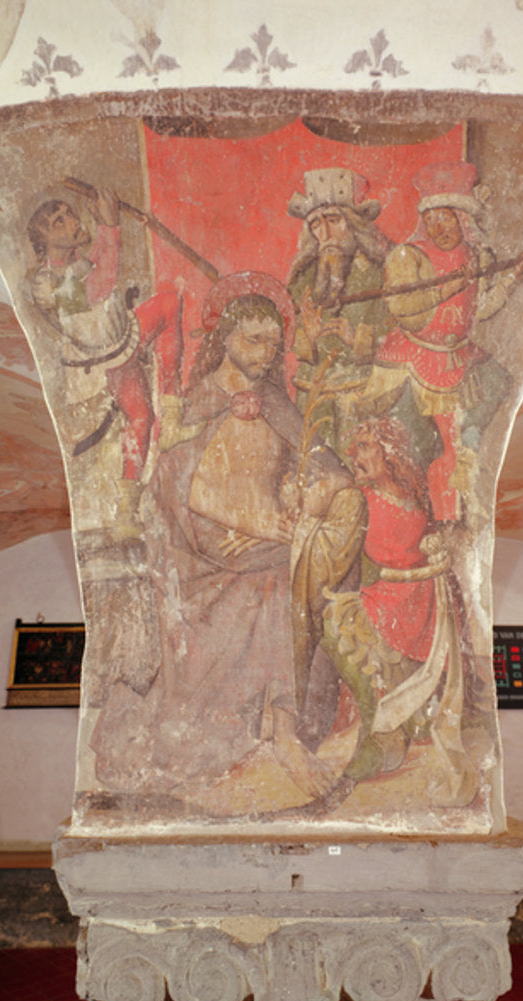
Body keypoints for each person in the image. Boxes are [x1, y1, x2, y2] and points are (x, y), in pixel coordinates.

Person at [89, 272, 367, 805]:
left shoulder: (273, 399)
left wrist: (317, 489)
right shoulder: (196, 403)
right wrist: (250, 526)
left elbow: (316, 459)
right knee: (276, 575)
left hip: (261, 538)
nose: (263, 354)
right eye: (252, 340)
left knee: (298, 565)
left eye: (271, 343)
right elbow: (177, 485)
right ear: (224, 339)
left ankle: (287, 727)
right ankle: (281, 735)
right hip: (199, 549)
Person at [360, 162, 523, 521]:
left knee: (497, 380)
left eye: (447, 218)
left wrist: (511, 281)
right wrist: (448, 288)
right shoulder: (408, 257)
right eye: (433, 219)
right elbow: (403, 309)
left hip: (454, 355)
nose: (439, 227)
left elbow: (479, 310)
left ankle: (469, 450)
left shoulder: (475, 256)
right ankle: (407, 513)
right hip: (408, 359)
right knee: (413, 444)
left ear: (462, 219)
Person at [321, 417, 478, 804]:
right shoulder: (357, 499)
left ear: (389, 453)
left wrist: (440, 546)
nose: (356, 456)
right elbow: (337, 548)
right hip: (385, 598)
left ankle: (405, 733)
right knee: (344, 637)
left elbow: (432, 534)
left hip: (426, 600)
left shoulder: (415, 494)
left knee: (433, 684)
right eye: (355, 448)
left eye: (367, 447)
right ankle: (376, 741)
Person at [27, 187, 185, 532]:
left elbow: (93, 265)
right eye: (59, 221)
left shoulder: (73, 262)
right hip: (102, 362)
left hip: (120, 334)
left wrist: (100, 224)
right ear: (46, 242)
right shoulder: (46, 282)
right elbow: (97, 286)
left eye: (69, 213)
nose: (71, 220)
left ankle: (172, 420)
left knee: (170, 305)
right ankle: (126, 514)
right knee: (140, 418)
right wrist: (109, 228)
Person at [287, 167, 392, 455]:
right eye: (316, 225)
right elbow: (291, 337)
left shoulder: (381, 272)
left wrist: (358, 338)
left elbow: (399, 335)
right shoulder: (303, 278)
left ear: (354, 223)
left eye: (334, 220)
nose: (326, 233)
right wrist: (307, 338)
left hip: (361, 397)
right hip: (313, 397)